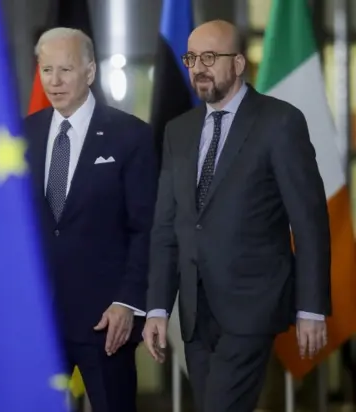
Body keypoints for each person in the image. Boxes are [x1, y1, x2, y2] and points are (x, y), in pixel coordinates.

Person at [142, 20, 331, 412]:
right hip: (194, 312)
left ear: (239, 63)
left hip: (252, 306)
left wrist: (311, 307)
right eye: (191, 58)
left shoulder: (280, 122)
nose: (198, 68)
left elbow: (309, 221)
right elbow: (166, 228)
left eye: (210, 57)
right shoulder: (178, 131)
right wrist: (158, 306)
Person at [24, 27, 157, 412]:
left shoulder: (129, 136)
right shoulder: (23, 134)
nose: (54, 81)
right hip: (38, 321)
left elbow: (144, 228)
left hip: (105, 323)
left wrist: (128, 303)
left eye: (65, 69)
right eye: (46, 70)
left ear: (90, 72)